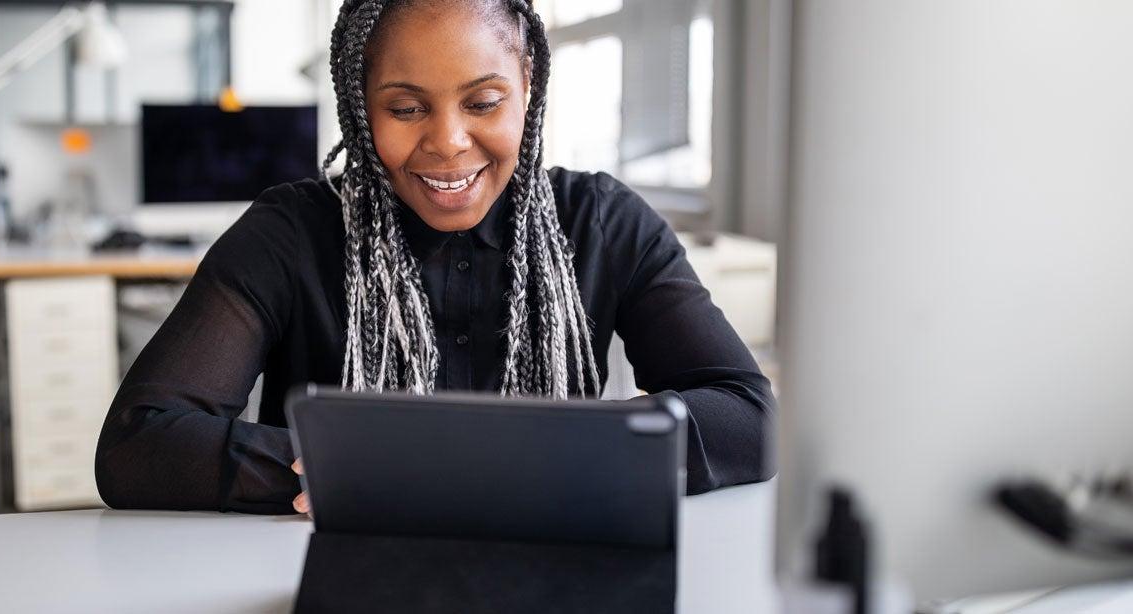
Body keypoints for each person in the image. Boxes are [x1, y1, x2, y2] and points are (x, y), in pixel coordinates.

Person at [95, 0, 775, 515]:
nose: (448, 141)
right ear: (361, 105)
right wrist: (350, 466)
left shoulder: (603, 223)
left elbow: (749, 416)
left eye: (482, 101)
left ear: (528, 84)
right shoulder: (289, 235)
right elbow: (137, 447)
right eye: (405, 107)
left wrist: (553, 457)